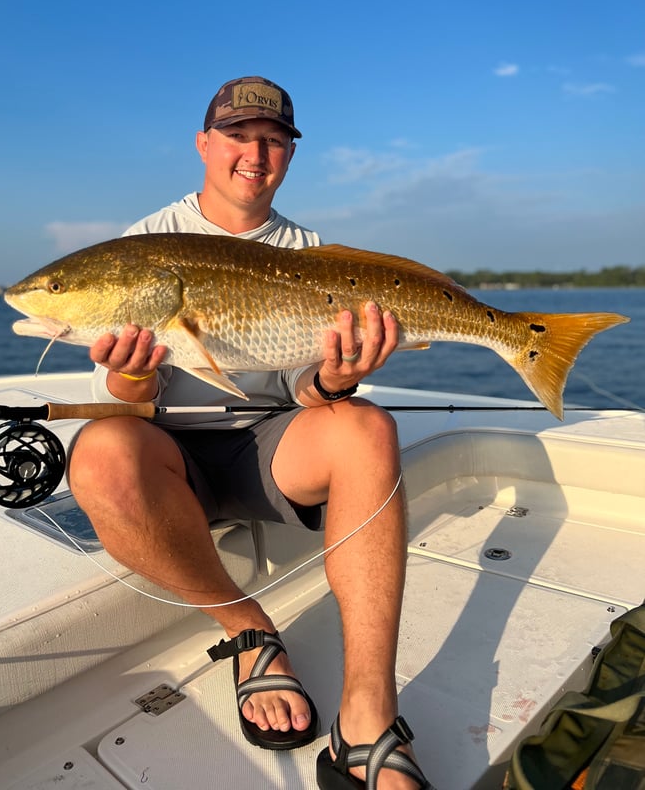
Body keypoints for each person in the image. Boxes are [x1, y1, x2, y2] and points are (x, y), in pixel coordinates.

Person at [68, 77, 433, 789]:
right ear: (205, 144)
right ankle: (247, 630)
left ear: (290, 155)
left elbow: (308, 391)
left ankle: (367, 716)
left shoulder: (310, 254)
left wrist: (336, 379)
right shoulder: (142, 246)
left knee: (365, 427)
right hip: (167, 455)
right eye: (238, 136)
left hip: (271, 449)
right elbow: (118, 405)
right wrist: (133, 373)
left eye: (273, 140)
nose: (255, 154)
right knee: (103, 450)